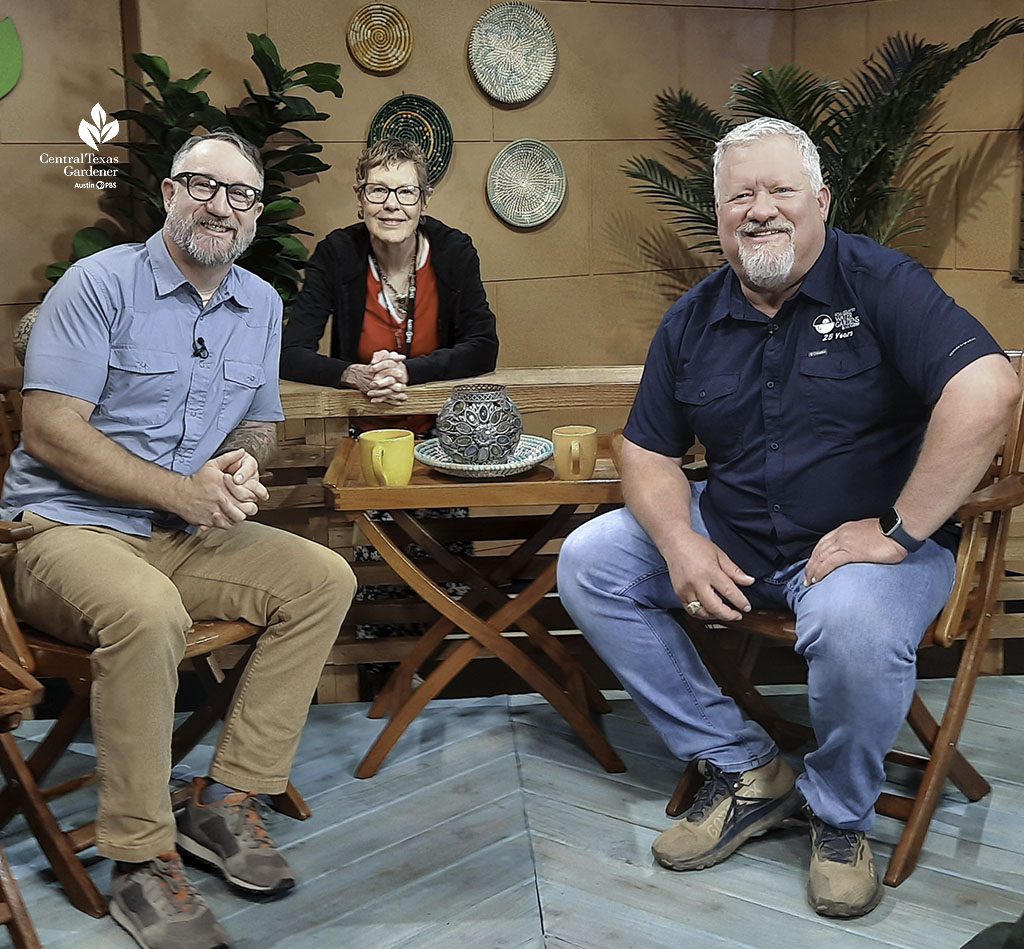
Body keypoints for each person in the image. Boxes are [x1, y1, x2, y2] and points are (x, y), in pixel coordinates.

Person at [557, 117, 1020, 919]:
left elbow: (990, 390)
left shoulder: (882, 283)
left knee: (850, 622)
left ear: (821, 201)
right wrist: (679, 544)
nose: (760, 208)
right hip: (737, 534)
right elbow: (645, 450)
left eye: (781, 189)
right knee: (588, 560)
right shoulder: (693, 317)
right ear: (719, 213)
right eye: (740, 194)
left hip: (870, 552)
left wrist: (899, 530)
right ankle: (744, 764)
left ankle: (840, 818)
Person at [1, 130, 356, 948]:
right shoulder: (98, 284)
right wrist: (182, 491)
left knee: (322, 578)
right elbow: (51, 430)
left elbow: (262, 420)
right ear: (169, 193)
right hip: (59, 530)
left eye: (240, 195)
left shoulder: (262, 304)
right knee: (149, 611)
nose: (220, 206)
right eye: (204, 186)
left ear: (255, 214)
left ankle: (225, 798)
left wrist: (242, 459)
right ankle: (139, 856)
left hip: (180, 533)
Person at [279, 137, 498, 407]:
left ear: (424, 201)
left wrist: (407, 371)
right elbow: (290, 354)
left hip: (442, 430)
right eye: (378, 190)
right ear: (360, 199)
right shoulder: (336, 254)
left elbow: (484, 347)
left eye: (406, 191)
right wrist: (352, 374)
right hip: (361, 427)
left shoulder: (454, 253)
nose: (391, 204)